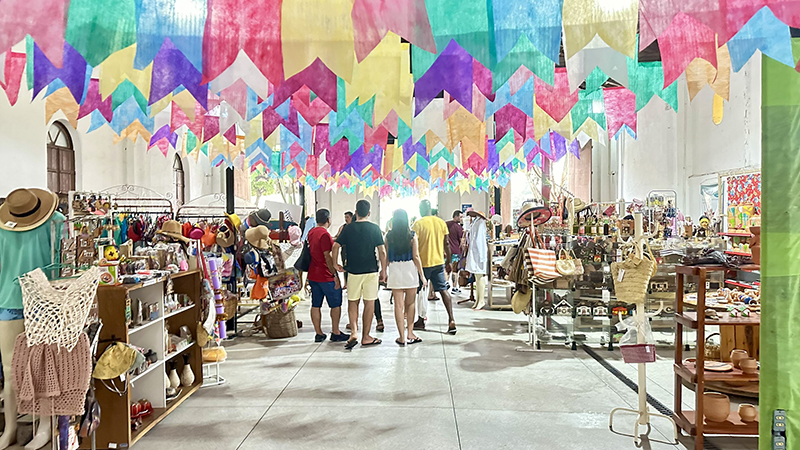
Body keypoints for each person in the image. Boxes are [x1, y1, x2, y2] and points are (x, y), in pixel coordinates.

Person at [332, 200, 387, 349]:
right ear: (369, 213)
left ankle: (354, 333)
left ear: (355, 213)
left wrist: (335, 264)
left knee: (353, 302)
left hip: (353, 272)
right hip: (370, 271)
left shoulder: (348, 228)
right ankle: (366, 336)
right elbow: (382, 251)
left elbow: (335, 246)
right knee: (369, 303)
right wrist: (384, 270)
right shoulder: (375, 229)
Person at [412, 200, 457, 334]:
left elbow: (413, 245)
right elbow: (447, 244)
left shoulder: (417, 224)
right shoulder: (440, 222)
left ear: (421, 209)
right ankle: (451, 319)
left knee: (421, 293)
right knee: (443, 290)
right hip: (438, 263)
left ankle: (420, 320)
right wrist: (448, 261)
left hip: (423, 264)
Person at [306, 209, 349, 343]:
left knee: (315, 304)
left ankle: (318, 333)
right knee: (335, 304)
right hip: (325, 275)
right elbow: (327, 256)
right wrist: (335, 274)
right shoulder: (324, 234)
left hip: (313, 274)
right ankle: (335, 331)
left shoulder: (311, 232)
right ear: (328, 220)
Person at [385, 209, 426, 346]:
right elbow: (416, 257)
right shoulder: (412, 235)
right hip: (410, 269)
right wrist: (422, 275)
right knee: (411, 303)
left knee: (398, 305)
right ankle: (410, 332)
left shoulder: (388, 236)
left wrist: (383, 271)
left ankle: (401, 336)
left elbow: (385, 257)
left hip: (395, 269)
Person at [445, 210, 464, 295]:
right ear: (455, 216)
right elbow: (461, 241)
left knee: (446, 269)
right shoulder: (458, 227)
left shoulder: (445, 224)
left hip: (446, 251)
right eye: (460, 217)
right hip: (456, 250)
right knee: (455, 270)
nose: (461, 219)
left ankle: (445, 284)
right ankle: (454, 287)